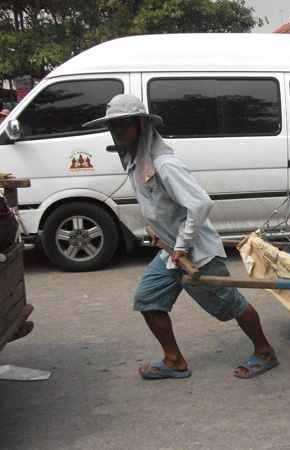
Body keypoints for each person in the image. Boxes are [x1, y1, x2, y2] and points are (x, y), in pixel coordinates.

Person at [84, 94, 277, 379]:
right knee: (147, 299)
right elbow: (158, 205)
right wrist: (161, 234)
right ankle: (173, 360)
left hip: (196, 253)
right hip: (171, 252)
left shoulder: (163, 163)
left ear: (141, 124)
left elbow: (200, 204)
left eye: (124, 123)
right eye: (114, 125)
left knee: (231, 304)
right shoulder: (135, 158)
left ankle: (265, 352)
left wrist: (183, 245)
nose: (118, 130)